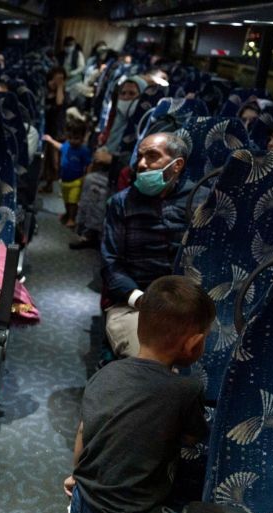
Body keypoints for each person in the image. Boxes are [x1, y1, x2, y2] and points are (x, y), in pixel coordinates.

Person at [64, 275, 213, 513]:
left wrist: (77, 477)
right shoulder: (186, 391)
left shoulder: (106, 374)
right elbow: (192, 439)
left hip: (87, 504)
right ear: (193, 345)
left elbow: (84, 432)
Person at [101, 132, 203, 358]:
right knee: (153, 363)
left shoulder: (202, 202)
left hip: (190, 304)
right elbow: (111, 263)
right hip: (135, 302)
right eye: (140, 157)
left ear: (177, 165)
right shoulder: (121, 203)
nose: (141, 164)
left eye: (152, 156)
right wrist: (140, 299)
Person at [94, 75, 148, 188]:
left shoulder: (144, 124)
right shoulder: (115, 117)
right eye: (123, 94)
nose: (126, 97)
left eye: (132, 94)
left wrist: (113, 160)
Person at [43, 121, 92, 230]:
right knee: (66, 200)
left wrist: (86, 177)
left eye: (77, 138)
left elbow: (88, 164)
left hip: (76, 181)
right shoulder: (67, 145)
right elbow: (59, 146)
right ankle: (67, 213)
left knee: (73, 202)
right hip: (64, 179)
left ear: (83, 137)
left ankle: (72, 219)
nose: (73, 141)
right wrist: (50, 140)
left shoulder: (83, 151)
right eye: (71, 138)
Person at [41, 66, 68, 194]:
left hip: (58, 129)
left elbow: (59, 103)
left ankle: (53, 183)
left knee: (55, 161)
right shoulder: (44, 91)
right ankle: (49, 183)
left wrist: (59, 86)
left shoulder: (62, 92)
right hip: (46, 126)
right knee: (48, 160)